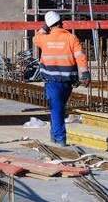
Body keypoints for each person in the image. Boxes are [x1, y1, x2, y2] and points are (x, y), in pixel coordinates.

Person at [33, 11, 90, 146]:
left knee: (56, 109)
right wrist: (85, 74)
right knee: (57, 108)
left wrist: (45, 27)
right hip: (67, 82)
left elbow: (35, 37)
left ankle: (60, 139)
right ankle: (54, 136)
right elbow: (80, 57)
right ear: (61, 23)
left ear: (49, 25)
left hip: (52, 81)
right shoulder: (71, 38)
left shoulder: (44, 39)